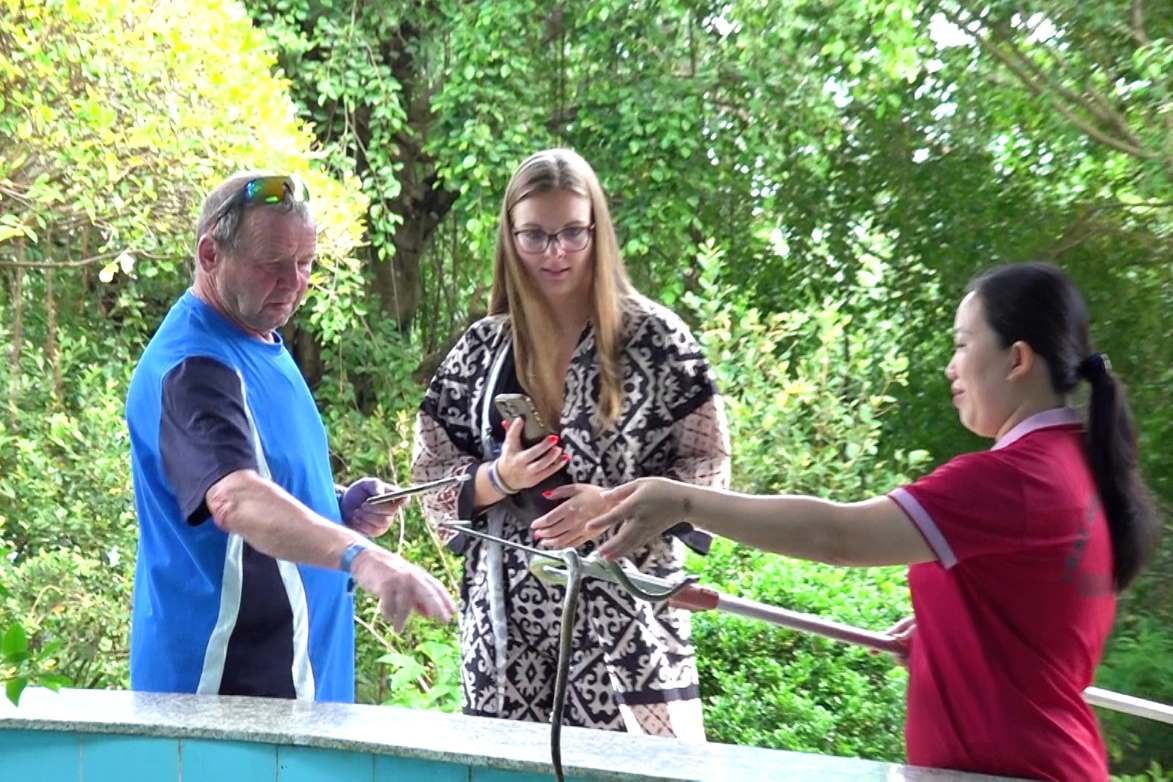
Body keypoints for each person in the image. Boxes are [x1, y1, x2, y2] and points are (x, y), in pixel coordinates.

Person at [566, 262, 1160, 780]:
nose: (951, 367)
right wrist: (950, 637)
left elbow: (838, 535)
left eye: (961, 344)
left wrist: (685, 502)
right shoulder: (1070, 466)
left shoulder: (1015, 480)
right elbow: (1038, 619)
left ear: (1018, 359)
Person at [411, 149, 730, 737]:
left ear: (596, 230)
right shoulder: (481, 349)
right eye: (534, 235)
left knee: (639, 775)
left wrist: (614, 506)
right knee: (507, 772)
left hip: (632, 621)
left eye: (572, 233)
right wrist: (498, 478)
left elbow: (708, 461)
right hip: (506, 637)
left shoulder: (658, 340)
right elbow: (430, 465)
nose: (554, 252)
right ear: (509, 237)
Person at [126, 172, 454, 702]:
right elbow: (235, 499)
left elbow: (262, 474)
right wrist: (362, 556)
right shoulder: (194, 368)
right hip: (229, 689)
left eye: (305, 263)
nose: (294, 282)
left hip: (298, 681)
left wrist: (337, 508)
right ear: (210, 254)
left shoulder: (259, 340)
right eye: (272, 264)